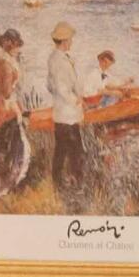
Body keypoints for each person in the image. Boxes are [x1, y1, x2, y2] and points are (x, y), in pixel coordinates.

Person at [0, 29, 31, 198]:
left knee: (3, 148)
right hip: (4, 109)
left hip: (1, 106)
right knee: (12, 148)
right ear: (10, 45)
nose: (18, 48)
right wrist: (18, 109)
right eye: (17, 45)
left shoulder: (4, 60)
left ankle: (3, 186)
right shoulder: (6, 64)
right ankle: (4, 187)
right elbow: (7, 91)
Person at [45, 21, 90, 197]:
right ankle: (76, 184)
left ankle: (60, 183)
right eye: (70, 39)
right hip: (67, 114)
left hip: (62, 113)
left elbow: (49, 85)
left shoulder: (56, 57)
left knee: (62, 150)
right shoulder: (59, 60)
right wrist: (76, 100)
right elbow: (62, 88)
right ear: (64, 41)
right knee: (76, 151)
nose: (71, 41)